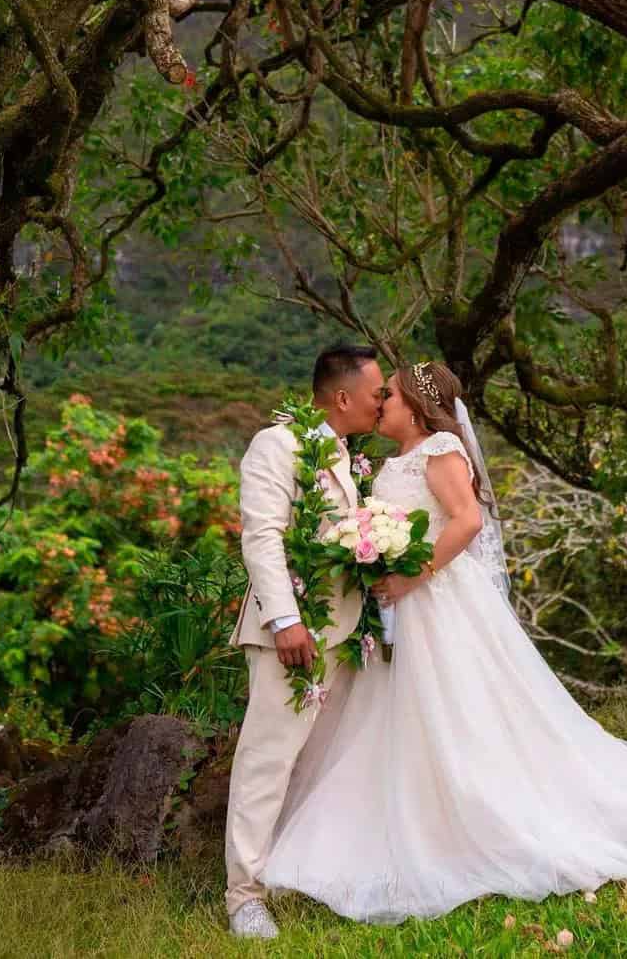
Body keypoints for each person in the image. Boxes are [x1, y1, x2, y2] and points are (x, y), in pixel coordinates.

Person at [258, 360, 627, 926]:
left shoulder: (440, 449)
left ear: (415, 406)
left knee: (455, 714)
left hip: (436, 602)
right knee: (392, 715)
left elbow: (464, 523)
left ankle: (467, 816)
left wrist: (412, 576)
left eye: (389, 394)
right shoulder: (389, 460)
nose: (380, 401)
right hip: (402, 607)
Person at [224, 343, 385, 940]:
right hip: (293, 634)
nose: (383, 404)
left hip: (348, 635)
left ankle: (299, 871)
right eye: (375, 395)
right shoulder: (279, 444)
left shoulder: (352, 456)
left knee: (323, 760)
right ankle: (244, 896)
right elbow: (261, 537)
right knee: (268, 760)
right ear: (342, 397)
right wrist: (286, 621)